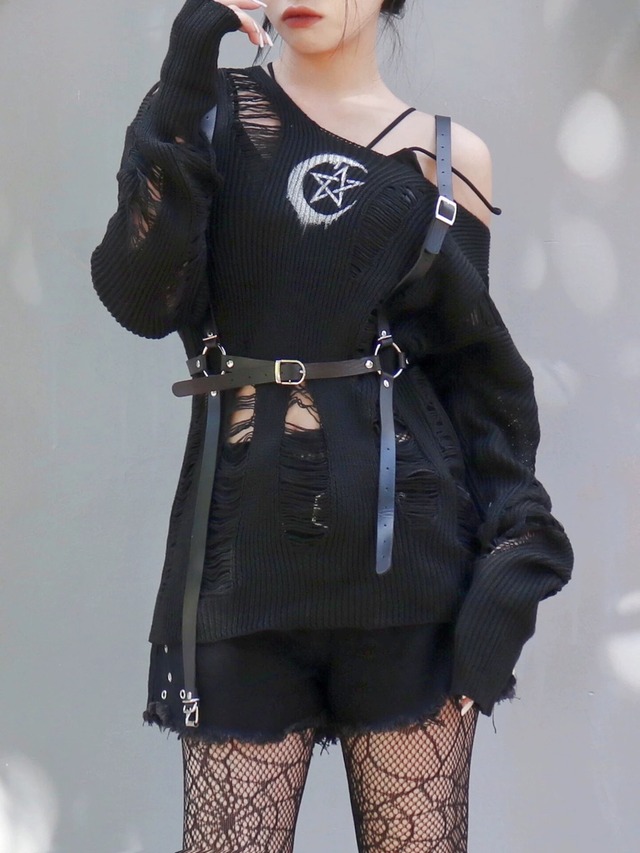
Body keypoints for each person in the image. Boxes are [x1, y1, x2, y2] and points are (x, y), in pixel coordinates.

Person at [91, 1, 574, 850]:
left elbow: (476, 383)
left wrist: (514, 562)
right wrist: (188, 57)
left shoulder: (448, 156)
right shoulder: (206, 115)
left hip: (409, 578)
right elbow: (140, 294)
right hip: (240, 570)